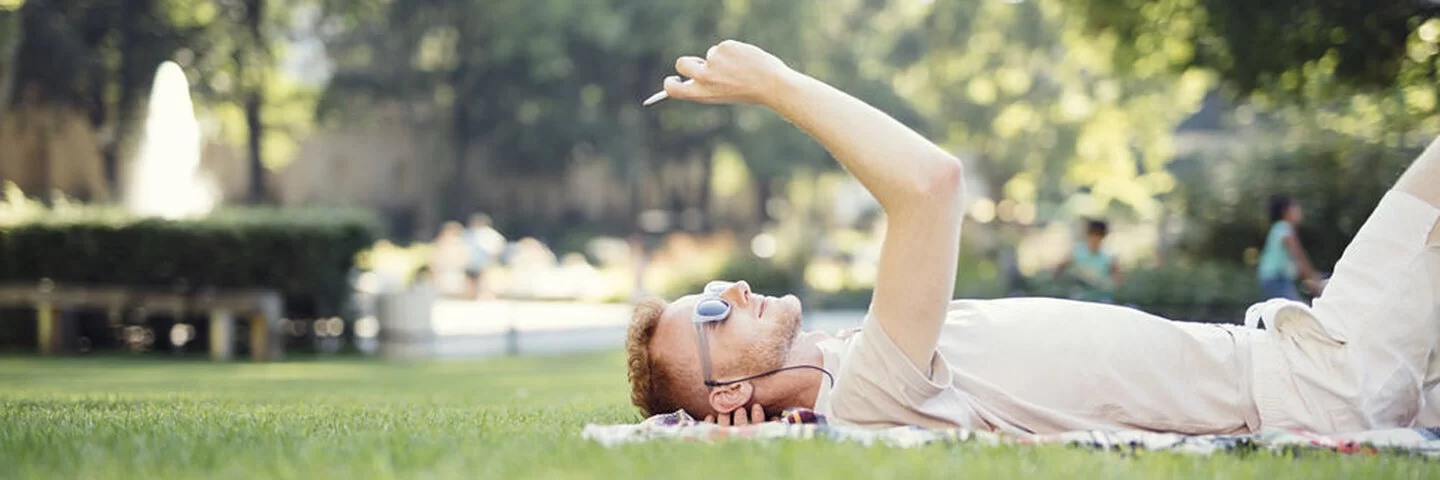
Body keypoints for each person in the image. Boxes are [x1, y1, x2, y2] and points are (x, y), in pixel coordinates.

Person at [624, 39, 1440, 434]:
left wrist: (762, 433)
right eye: (709, 315)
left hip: (1308, 369)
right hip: (1317, 380)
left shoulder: (846, 365)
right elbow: (930, 185)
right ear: (727, 393)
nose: (727, 289)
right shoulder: (869, 394)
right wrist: (774, 85)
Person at [1257, 195, 1326, 300]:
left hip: (1272, 277)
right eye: (1295, 208)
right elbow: (1298, 255)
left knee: (1291, 309)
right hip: (1275, 278)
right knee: (1295, 310)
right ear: (1285, 211)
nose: (1299, 211)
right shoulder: (1284, 228)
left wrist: (1310, 276)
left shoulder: (1279, 227)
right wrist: (1313, 277)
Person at [1053, 220, 1122, 303]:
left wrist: (1108, 283)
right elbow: (1059, 267)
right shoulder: (1077, 251)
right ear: (1088, 235)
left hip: (1100, 297)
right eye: (1093, 235)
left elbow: (1118, 278)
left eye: (1099, 235)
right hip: (1080, 296)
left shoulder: (1108, 256)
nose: (1095, 239)